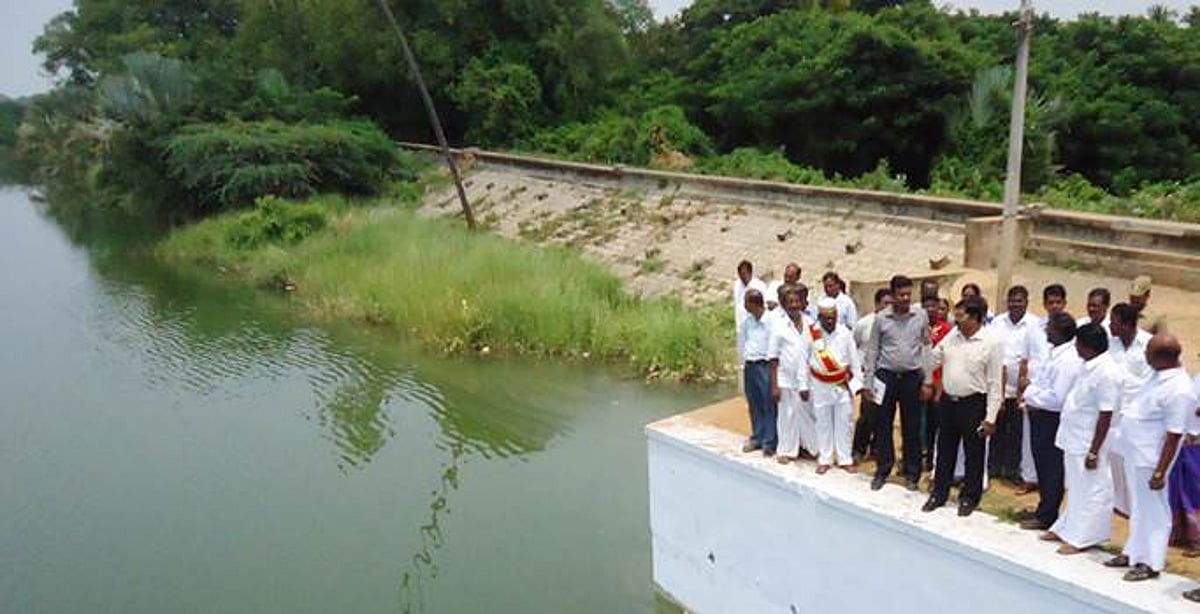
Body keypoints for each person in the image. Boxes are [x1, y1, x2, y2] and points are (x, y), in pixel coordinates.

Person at [1104, 335, 1195, 582]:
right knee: (1139, 508)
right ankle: (1133, 551)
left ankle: (1151, 561)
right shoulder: (1155, 375)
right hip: (1136, 453)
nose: (1144, 356)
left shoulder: (1179, 388)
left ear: (1161, 358)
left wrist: (1160, 471)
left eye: (1149, 353)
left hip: (1152, 459)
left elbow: (1174, 435)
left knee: (1155, 511)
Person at [920, 296, 1004, 517]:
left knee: (973, 454)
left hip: (974, 403)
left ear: (975, 318)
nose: (955, 319)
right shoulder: (952, 336)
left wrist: (991, 417)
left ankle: (969, 497)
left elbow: (995, 383)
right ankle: (939, 494)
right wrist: (927, 344)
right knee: (945, 450)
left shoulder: (991, 343)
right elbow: (933, 360)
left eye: (961, 315)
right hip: (949, 402)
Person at [1047, 323, 1121, 554]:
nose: (1076, 348)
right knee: (1077, 487)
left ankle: (1084, 538)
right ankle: (1067, 527)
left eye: (1078, 343)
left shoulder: (1107, 372)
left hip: (1090, 442)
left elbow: (1106, 414)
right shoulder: (1088, 365)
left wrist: (1094, 450)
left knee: (1095, 489)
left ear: (1089, 346)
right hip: (1074, 436)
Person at [863, 275, 930, 492]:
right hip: (886, 377)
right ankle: (883, 469)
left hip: (911, 377)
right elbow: (872, 350)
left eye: (908, 294)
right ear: (892, 296)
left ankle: (912, 473)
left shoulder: (920, 316)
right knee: (883, 424)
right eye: (901, 294)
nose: (905, 298)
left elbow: (926, 347)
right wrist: (868, 382)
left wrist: (927, 380)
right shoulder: (881, 319)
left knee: (911, 427)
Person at [1019, 313, 1084, 531]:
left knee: (1051, 467)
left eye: (1050, 327)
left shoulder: (1068, 359)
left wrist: (1028, 391)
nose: (1046, 331)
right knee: (1043, 465)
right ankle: (1044, 508)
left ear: (1058, 331)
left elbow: (1057, 398)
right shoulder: (1055, 353)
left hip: (1051, 418)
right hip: (1041, 415)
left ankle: (1048, 515)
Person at [803, 296, 864, 474]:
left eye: (833, 317)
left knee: (844, 422)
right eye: (826, 318)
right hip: (819, 385)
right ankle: (825, 458)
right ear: (820, 317)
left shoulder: (845, 332)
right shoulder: (812, 334)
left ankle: (845, 458)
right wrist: (803, 385)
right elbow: (804, 360)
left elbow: (854, 360)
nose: (830, 321)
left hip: (841, 385)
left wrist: (856, 382)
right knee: (822, 422)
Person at [987, 285, 1037, 484]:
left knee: (1016, 430)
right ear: (1007, 302)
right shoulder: (997, 322)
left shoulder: (1034, 324)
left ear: (1026, 302)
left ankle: (1012, 468)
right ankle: (994, 466)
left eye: (1020, 301)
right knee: (997, 426)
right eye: (1012, 301)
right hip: (998, 384)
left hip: (1020, 388)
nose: (1016, 305)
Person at [1108, 303, 1153, 518]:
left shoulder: (1147, 344)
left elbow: (1150, 380)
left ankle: (1136, 506)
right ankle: (1120, 503)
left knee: (1134, 461)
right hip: (1114, 409)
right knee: (1114, 456)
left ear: (1126, 325)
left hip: (1137, 412)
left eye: (1114, 322)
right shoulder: (1111, 343)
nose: (1110, 325)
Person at [769, 284, 814, 464]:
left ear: (802, 303)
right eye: (790, 302)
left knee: (808, 414)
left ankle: (810, 448)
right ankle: (786, 451)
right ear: (785, 305)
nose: (794, 305)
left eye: (797, 301)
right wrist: (774, 386)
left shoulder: (811, 324)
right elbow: (772, 358)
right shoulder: (779, 326)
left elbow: (818, 349)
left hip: (808, 379)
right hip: (786, 379)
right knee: (787, 415)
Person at [853, 288, 893, 462]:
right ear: (877, 304)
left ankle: (878, 448)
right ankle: (859, 448)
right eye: (885, 303)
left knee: (885, 414)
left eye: (891, 304)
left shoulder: (894, 323)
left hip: (887, 374)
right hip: (868, 374)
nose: (889, 307)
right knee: (867, 414)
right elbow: (854, 347)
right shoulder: (864, 324)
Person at [738, 288, 777, 456]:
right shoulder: (747, 322)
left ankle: (769, 441)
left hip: (765, 365)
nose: (745, 306)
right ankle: (757, 437)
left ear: (754, 304)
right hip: (750, 365)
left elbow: (774, 347)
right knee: (754, 403)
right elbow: (744, 343)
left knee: (768, 403)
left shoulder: (771, 321)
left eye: (747, 302)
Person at [1167, 371, 1200, 557]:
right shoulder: (1196, 377)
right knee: (1182, 487)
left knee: (1195, 490)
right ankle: (1183, 535)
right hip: (1186, 439)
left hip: (1197, 440)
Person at [922, 293, 954, 472]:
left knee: (937, 423)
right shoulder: (918, 327)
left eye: (935, 307)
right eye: (927, 306)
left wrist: (940, 386)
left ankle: (934, 461)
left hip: (938, 383)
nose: (931, 310)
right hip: (920, 381)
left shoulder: (947, 330)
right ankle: (921, 456)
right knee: (920, 422)